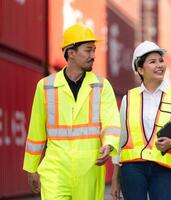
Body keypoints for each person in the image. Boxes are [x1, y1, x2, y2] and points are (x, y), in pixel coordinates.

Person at [23, 24, 121, 199]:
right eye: (88, 50)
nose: (93, 56)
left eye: (94, 50)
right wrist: (31, 168)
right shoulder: (45, 86)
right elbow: (36, 130)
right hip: (55, 170)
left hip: (89, 169)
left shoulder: (101, 85)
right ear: (71, 52)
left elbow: (111, 121)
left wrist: (109, 144)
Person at [110, 41, 171, 200]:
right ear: (140, 69)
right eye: (153, 62)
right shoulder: (128, 99)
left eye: (161, 60)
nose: (160, 65)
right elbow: (120, 140)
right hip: (132, 169)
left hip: (163, 169)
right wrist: (115, 179)